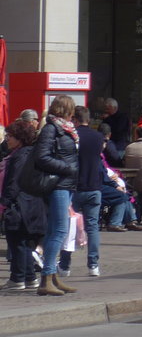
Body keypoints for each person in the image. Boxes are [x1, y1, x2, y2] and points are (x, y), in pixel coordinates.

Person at [31, 96, 80, 296]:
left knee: (56, 230)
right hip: (58, 184)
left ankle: (52, 276)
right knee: (59, 230)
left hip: (66, 184)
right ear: (67, 110)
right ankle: (47, 276)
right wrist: (66, 168)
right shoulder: (52, 128)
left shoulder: (66, 129)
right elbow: (41, 157)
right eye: (72, 110)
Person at [58, 105, 105, 278]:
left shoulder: (74, 136)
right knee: (92, 227)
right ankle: (93, 265)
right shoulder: (99, 137)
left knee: (69, 226)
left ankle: (64, 265)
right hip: (94, 186)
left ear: (75, 120)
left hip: (75, 187)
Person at [1, 115, 46, 291]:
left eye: (10, 136)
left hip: (20, 205)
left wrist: (4, 203)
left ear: (19, 139)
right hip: (29, 204)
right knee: (24, 242)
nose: (7, 139)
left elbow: (14, 183)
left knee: (17, 241)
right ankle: (28, 277)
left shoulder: (20, 156)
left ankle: (18, 278)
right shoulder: (27, 153)